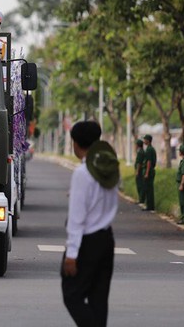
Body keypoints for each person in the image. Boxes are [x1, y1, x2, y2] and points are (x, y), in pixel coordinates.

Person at [62, 120, 119, 327]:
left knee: (72, 295)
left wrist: (72, 254)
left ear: (75, 144)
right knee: (98, 298)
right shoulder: (110, 168)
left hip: (87, 242)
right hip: (106, 239)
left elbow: (77, 218)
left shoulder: (82, 173)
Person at [142, 134, 157, 211]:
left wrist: (147, 173)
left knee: (149, 189)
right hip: (150, 170)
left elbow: (149, 162)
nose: (144, 141)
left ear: (148, 140)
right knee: (148, 189)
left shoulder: (149, 149)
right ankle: (149, 205)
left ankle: (150, 206)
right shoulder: (150, 148)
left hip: (149, 171)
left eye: (145, 139)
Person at [134, 138, 145, 205]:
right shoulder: (141, 151)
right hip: (140, 171)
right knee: (140, 185)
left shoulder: (140, 152)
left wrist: (137, 171)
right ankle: (141, 199)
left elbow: (139, 163)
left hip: (140, 172)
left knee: (140, 185)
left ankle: (141, 199)